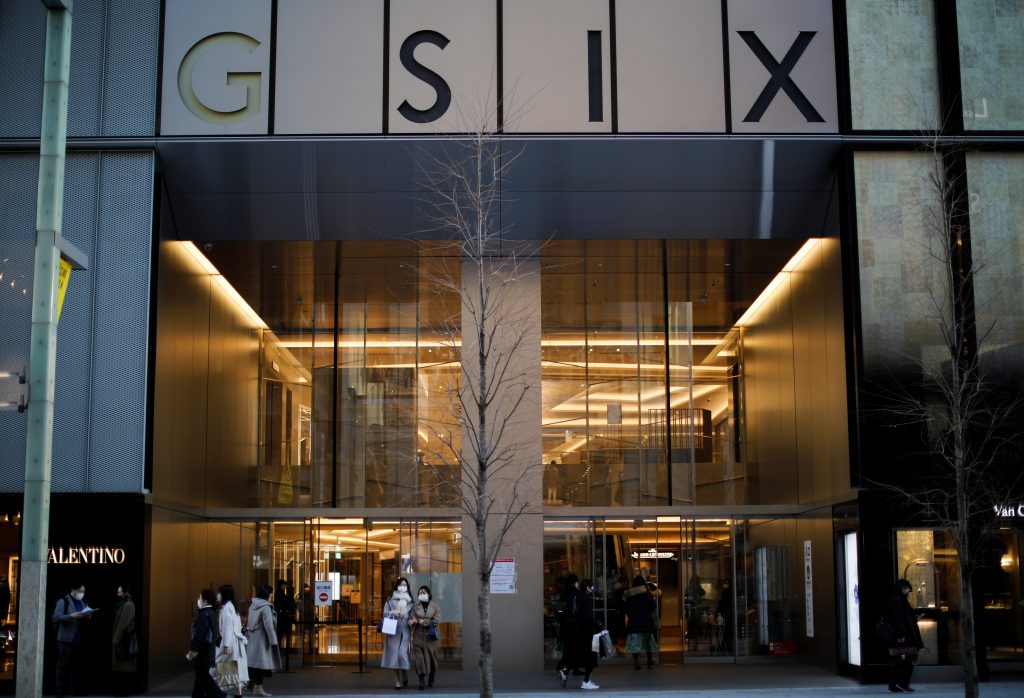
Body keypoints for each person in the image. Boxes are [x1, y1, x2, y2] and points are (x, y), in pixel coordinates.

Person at [556, 574, 599, 690]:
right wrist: (597, 623)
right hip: (586, 632)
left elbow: (567, 612)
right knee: (591, 657)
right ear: (588, 588)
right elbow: (588, 617)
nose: (592, 590)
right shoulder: (585, 598)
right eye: (591, 588)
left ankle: (565, 670)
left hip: (574, 632)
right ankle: (586, 681)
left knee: (576, 655)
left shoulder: (573, 596)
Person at [885, 578, 924, 693]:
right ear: (902, 588)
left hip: (904, 634)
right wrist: (901, 634)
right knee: (907, 659)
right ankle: (901, 683)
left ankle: (897, 684)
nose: (908, 591)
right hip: (905, 635)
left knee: (899, 660)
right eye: (907, 589)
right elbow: (899, 619)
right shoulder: (897, 600)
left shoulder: (896, 599)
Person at [53, 580, 91, 698]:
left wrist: (89, 614)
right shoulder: (63, 601)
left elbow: (85, 612)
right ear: (73, 590)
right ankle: (60, 693)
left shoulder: (82, 601)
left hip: (78, 639)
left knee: (76, 667)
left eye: (84, 592)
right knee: (62, 666)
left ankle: (75, 690)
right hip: (65, 640)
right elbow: (56, 617)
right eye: (81, 591)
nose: (82, 593)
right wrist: (71, 616)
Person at [188, 588, 225, 698]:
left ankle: (219, 694)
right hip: (209, 649)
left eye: (200, 598)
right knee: (200, 675)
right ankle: (197, 695)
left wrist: (192, 649)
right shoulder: (212, 613)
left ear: (205, 600)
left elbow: (200, 635)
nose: (198, 600)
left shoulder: (204, 615)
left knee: (202, 675)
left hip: (202, 651)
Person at [246, 584, 282, 697]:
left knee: (254, 665)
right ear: (268, 595)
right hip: (262, 640)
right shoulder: (266, 607)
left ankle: (252, 685)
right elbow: (269, 627)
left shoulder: (252, 605)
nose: (271, 596)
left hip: (251, 638)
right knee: (262, 665)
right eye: (271, 594)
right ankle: (258, 688)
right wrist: (274, 642)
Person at [216, 584, 249, 696]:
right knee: (236, 668)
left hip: (229, 642)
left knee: (220, 666)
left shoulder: (226, 608)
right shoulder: (233, 607)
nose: (218, 595)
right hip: (235, 642)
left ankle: (220, 691)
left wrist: (225, 645)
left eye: (219, 593)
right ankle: (238, 693)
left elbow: (227, 628)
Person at [381, 577, 414, 689]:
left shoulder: (410, 602)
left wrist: (410, 620)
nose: (403, 586)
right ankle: (397, 681)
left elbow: (412, 617)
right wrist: (393, 612)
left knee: (402, 654)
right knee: (394, 656)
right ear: (397, 586)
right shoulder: (390, 601)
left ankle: (404, 672)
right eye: (401, 584)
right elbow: (385, 615)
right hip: (393, 631)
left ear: (408, 587)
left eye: (405, 585)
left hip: (405, 631)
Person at [408, 585, 441, 690]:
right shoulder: (415, 607)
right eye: (420, 592)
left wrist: (425, 622)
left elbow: (438, 620)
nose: (421, 594)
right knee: (419, 659)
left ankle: (431, 677)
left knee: (431, 658)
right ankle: (421, 680)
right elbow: (410, 619)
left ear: (428, 594)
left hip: (430, 636)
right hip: (418, 635)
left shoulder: (435, 606)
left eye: (424, 592)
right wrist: (411, 622)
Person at [622, 575, 659, 669]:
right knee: (648, 643)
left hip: (634, 623)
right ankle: (649, 660)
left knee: (635, 644)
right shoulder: (647, 594)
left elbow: (625, 609)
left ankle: (636, 662)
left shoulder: (630, 595)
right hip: (646, 622)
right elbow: (653, 607)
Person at [111, 584, 138, 686]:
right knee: (120, 664)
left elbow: (123, 623)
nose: (118, 594)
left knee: (124, 664)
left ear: (126, 593)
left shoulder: (128, 605)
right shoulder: (122, 604)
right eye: (118, 592)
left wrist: (116, 638)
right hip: (120, 638)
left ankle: (124, 687)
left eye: (120, 592)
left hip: (124, 639)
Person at [274, 579, 296, 653]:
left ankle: (280, 649)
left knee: (280, 634)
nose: (285, 586)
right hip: (281, 616)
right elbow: (284, 602)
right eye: (284, 585)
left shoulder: (280, 592)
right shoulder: (279, 593)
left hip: (281, 616)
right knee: (280, 633)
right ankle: (280, 649)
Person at [716, 578, 734, 653]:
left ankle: (727, 646)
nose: (725, 585)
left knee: (727, 631)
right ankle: (726, 646)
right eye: (724, 583)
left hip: (728, 615)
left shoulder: (729, 593)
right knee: (725, 631)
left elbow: (724, 603)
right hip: (726, 614)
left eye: (726, 583)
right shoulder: (725, 592)